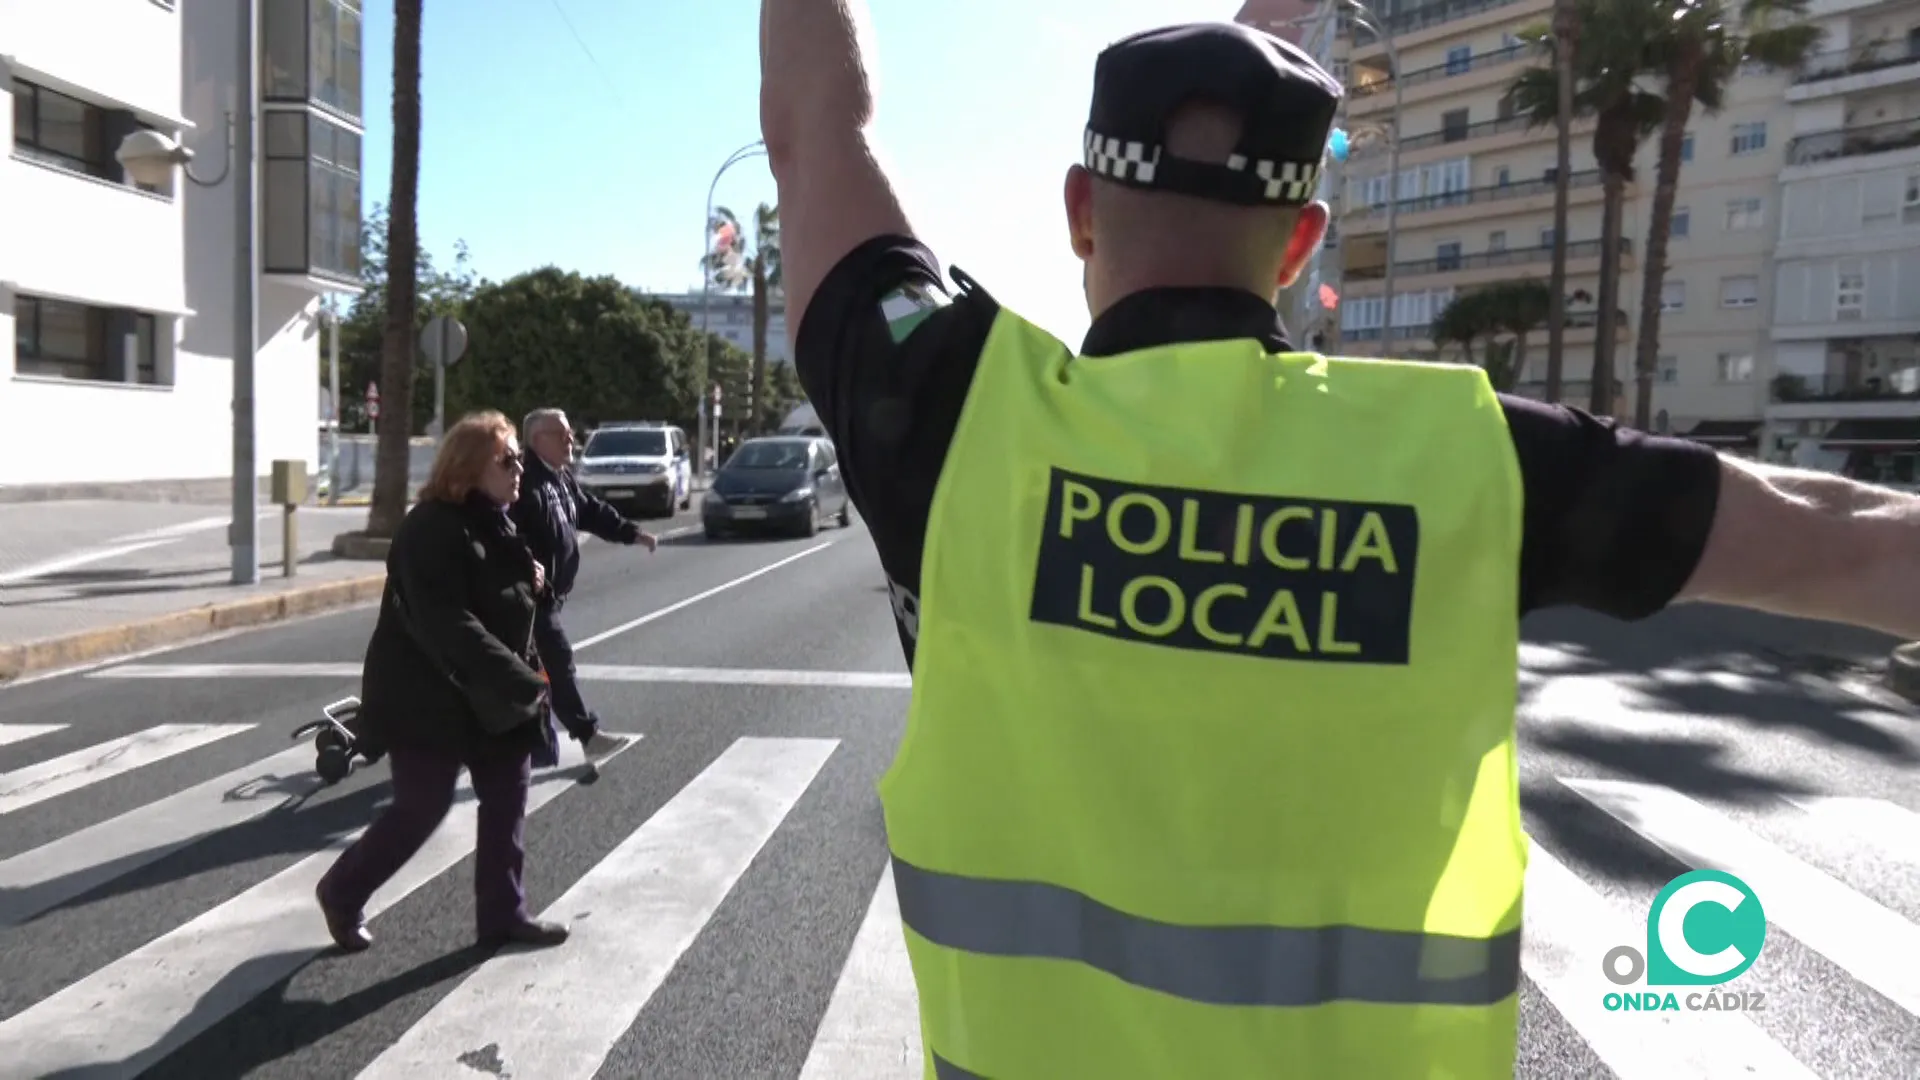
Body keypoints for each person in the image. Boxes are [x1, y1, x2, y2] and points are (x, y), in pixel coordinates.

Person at [759, 7, 1920, 1078]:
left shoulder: (962, 419)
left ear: (1078, 209)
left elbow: (817, 132)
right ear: (1302, 242)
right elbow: (1852, 540)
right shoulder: (1466, 462)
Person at [316, 410, 570, 954]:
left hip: (489, 697)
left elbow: (503, 598)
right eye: (507, 459)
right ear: (469, 467)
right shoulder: (428, 528)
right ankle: (341, 891)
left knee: (507, 798)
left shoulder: (496, 520)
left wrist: (533, 582)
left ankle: (503, 916)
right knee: (421, 808)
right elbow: (446, 620)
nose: (519, 468)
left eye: (518, 458)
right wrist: (519, 678)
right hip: (426, 696)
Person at [512, 408, 655, 763]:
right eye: (561, 434)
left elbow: (589, 510)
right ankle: (587, 735)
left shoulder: (559, 478)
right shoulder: (524, 482)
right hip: (527, 598)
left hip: (550, 596)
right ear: (536, 440)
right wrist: (525, 563)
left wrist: (631, 533)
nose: (570, 439)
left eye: (570, 432)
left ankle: (537, 747)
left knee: (531, 672)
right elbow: (504, 532)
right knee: (556, 661)